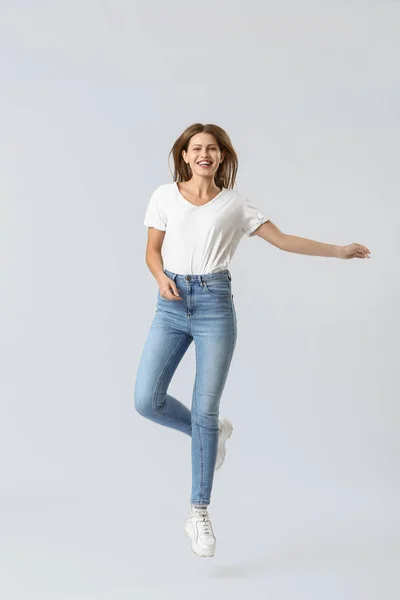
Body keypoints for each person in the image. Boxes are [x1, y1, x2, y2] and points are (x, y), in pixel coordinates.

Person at [134, 122, 371, 558]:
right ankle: (211, 434)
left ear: (222, 156)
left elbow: (282, 240)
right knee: (147, 400)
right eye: (196, 148)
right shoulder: (164, 196)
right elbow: (152, 250)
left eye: (212, 149)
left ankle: (199, 512)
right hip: (170, 305)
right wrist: (159, 276)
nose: (204, 154)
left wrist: (338, 250)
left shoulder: (234, 204)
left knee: (205, 407)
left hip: (214, 307)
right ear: (184, 155)